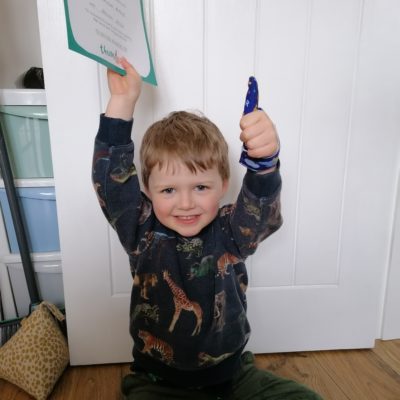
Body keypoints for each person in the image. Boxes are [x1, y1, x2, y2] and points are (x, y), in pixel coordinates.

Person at [92, 58, 323, 400]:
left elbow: (261, 212)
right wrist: (122, 102)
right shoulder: (139, 228)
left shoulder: (231, 229)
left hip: (232, 376)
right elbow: (111, 184)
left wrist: (264, 163)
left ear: (223, 184)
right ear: (147, 190)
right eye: (168, 190)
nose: (186, 203)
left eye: (200, 187)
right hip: (159, 380)